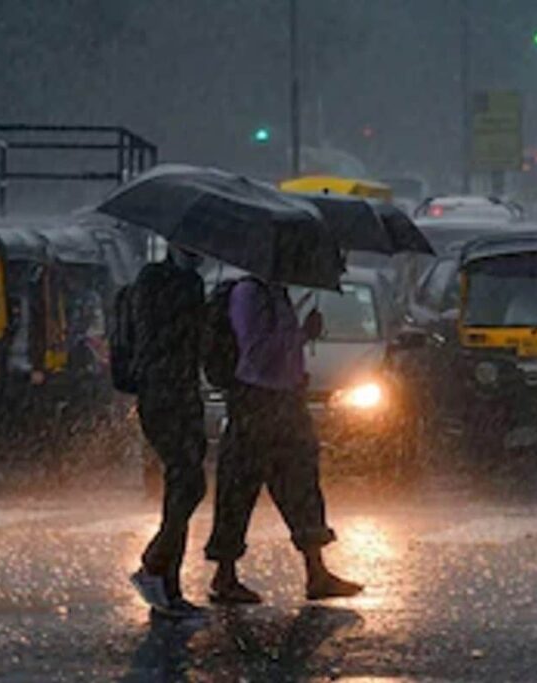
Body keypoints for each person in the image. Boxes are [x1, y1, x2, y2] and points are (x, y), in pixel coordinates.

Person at [205, 276, 362, 603]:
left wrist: (303, 337)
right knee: (239, 487)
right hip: (257, 401)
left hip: (287, 400)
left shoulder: (277, 293)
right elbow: (257, 351)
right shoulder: (249, 294)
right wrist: (300, 335)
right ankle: (225, 574)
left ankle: (316, 572)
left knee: (301, 484)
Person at [129, 245, 207, 619]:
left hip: (186, 392)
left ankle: (168, 584)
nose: (198, 256)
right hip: (160, 392)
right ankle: (153, 564)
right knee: (189, 483)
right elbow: (157, 336)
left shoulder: (192, 283)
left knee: (183, 486)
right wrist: (194, 311)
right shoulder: (153, 280)